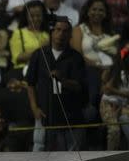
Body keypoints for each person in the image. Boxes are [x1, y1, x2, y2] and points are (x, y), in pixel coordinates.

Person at [26, 17, 87, 151]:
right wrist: (34, 107)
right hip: (44, 111)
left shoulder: (76, 57)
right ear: (52, 32)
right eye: (58, 30)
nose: (61, 34)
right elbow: (30, 83)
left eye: (65, 31)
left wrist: (63, 80)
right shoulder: (39, 54)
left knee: (71, 152)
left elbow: (79, 86)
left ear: (70, 35)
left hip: (70, 112)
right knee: (39, 148)